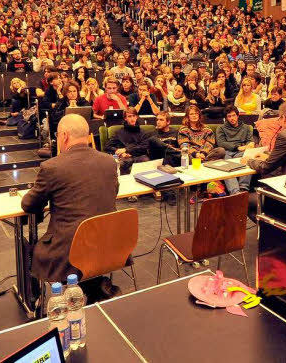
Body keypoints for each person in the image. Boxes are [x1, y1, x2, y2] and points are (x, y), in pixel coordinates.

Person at [21, 114, 118, 285]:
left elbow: (28, 204)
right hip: (107, 243)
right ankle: (93, 286)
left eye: (57, 136)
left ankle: (34, 298)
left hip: (67, 252)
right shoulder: (109, 161)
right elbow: (114, 191)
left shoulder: (52, 167)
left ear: (64, 136)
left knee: (26, 245)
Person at [103, 108, 174, 162]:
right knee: (118, 162)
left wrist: (126, 150)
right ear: (125, 118)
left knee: (145, 159)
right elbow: (107, 146)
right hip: (123, 157)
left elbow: (144, 147)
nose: (132, 119)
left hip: (138, 157)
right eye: (129, 116)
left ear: (137, 117)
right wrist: (119, 152)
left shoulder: (142, 132)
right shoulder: (119, 132)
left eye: (134, 116)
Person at [215, 106, 256, 194]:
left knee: (248, 159)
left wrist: (251, 144)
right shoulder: (221, 128)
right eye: (229, 116)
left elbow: (250, 142)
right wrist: (237, 147)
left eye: (233, 115)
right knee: (225, 165)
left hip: (241, 152)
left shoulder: (247, 127)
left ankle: (243, 188)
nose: (232, 118)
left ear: (238, 116)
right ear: (226, 118)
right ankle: (235, 192)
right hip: (227, 151)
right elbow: (221, 143)